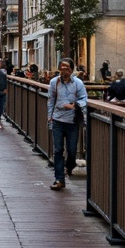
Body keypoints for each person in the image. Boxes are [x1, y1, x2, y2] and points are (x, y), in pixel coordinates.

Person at [47, 58, 88, 191]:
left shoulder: (78, 83)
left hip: (72, 121)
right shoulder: (54, 82)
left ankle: (69, 166)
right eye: (62, 67)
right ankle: (59, 179)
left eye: (67, 68)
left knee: (71, 150)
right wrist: (50, 117)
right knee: (58, 150)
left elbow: (84, 99)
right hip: (58, 119)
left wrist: (75, 105)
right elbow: (51, 100)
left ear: (71, 70)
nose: (64, 70)